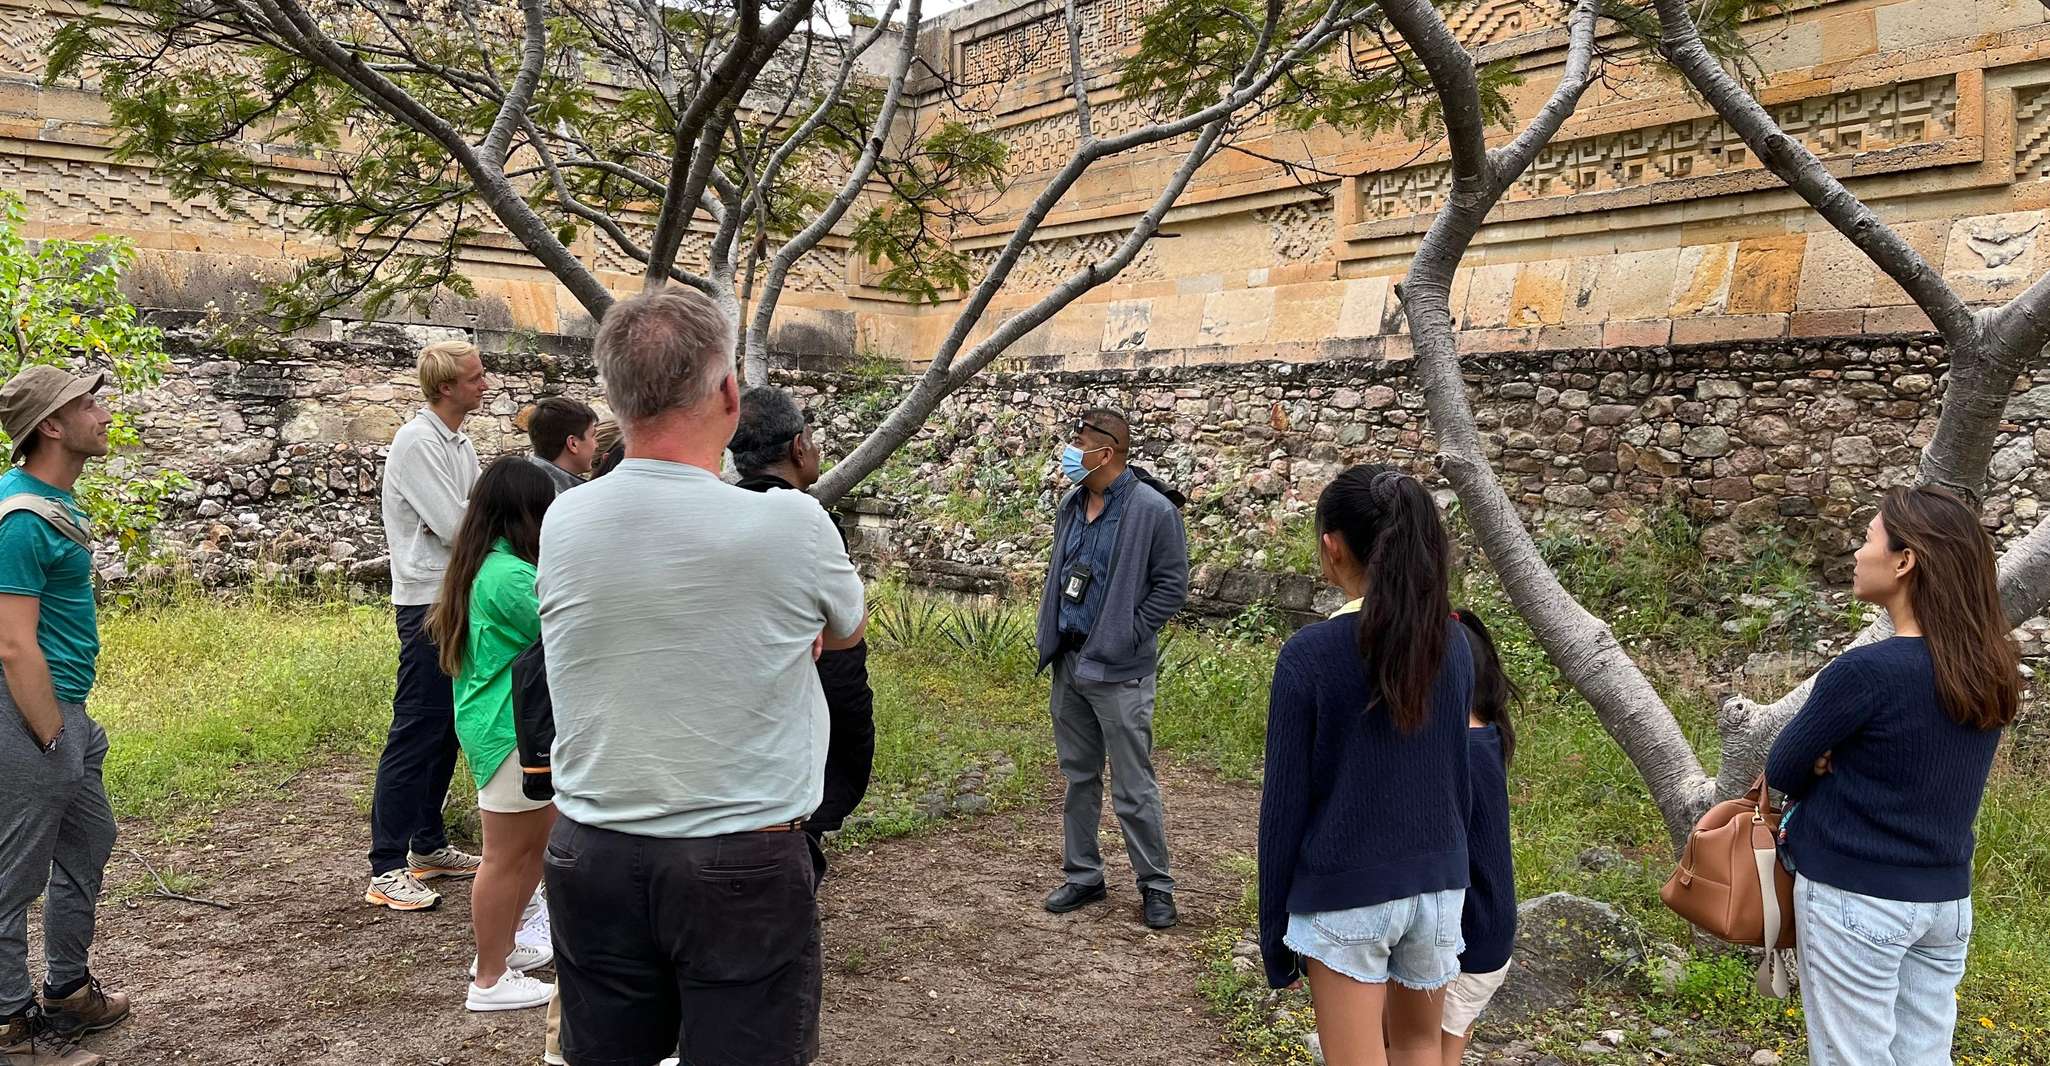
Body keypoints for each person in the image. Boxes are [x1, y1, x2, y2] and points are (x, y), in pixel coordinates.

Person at [537, 286, 866, 1066]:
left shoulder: (565, 518)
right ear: (728, 393)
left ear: (614, 400)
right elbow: (844, 631)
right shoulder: (789, 521)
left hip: (593, 851)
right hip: (741, 857)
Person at [1766, 485, 2019, 1066]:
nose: (1857, 552)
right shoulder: (1989, 671)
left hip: (1858, 897)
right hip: (1945, 904)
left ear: (1905, 561)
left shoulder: (1866, 672)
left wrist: (1825, 764)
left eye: (1868, 538)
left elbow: (1783, 767)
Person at [1258, 464, 1474, 1066]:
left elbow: (1283, 810)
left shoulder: (1309, 655)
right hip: (1437, 886)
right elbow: (1461, 784)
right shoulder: (1454, 645)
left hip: (1345, 891)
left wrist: (1275, 934)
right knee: (1418, 1048)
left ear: (1331, 547)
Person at [0, 367, 128, 1066]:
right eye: (87, 402)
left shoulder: (53, 504)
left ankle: (68, 992)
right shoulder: (20, 518)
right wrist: (51, 734)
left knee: (88, 840)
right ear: (51, 425)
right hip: (27, 715)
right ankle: (10, 1024)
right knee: (12, 876)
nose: (102, 412)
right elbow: (13, 642)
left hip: (61, 712)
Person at [1034, 408, 1188, 930]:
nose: (1070, 451)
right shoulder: (1071, 505)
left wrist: (1128, 633)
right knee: (1079, 777)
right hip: (1070, 662)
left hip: (1120, 671)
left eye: (1079, 443)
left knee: (1133, 783)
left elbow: (1172, 585)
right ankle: (1084, 875)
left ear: (1108, 451)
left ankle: (1156, 886)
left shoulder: (1152, 511)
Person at [426, 457, 559, 1013]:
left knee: (530, 850)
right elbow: (568, 623)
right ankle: (488, 977)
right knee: (505, 856)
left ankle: (503, 950)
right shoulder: (508, 577)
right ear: (524, 514)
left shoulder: (491, 564)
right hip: (509, 730)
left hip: (509, 727)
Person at [731, 386, 877, 881]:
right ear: (797, 446)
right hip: (813, 692)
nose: (815, 449)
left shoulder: (720, 510)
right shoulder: (804, 516)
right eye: (812, 440)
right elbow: (847, 627)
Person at [366, 339, 487, 911]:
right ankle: (385, 864)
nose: (484, 384)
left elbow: (477, 516)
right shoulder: (417, 442)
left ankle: (428, 844)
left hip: (454, 594)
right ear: (446, 387)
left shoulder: (457, 442)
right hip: (427, 602)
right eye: (475, 377)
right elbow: (455, 523)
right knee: (416, 726)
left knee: (445, 727)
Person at [1437, 610, 1517, 1064]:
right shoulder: (1485, 735)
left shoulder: (1460, 753)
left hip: (1469, 935)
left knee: (1418, 1048)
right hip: (1489, 930)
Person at [525, 397, 600, 494]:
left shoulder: (523, 483)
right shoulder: (558, 497)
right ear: (573, 444)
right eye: (593, 436)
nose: (596, 445)